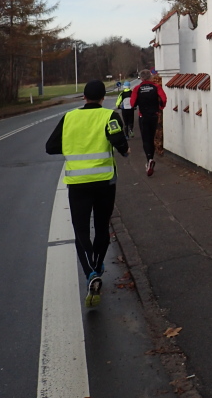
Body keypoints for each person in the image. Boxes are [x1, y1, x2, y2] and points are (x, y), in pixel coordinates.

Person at [46, 79, 129, 307]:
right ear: (103, 97)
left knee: (81, 229)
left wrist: (74, 144)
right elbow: (119, 142)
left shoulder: (69, 117)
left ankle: (90, 272)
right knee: (102, 227)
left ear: (84, 97)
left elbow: (50, 147)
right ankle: (100, 263)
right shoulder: (109, 116)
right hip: (104, 183)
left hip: (78, 184)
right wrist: (124, 150)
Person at [131, 69, 166, 177]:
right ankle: (150, 159)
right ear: (150, 77)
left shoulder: (137, 88)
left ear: (141, 78)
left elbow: (132, 103)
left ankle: (149, 159)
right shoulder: (156, 87)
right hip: (154, 115)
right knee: (152, 138)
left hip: (143, 116)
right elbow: (163, 98)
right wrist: (160, 107)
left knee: (146, 139)